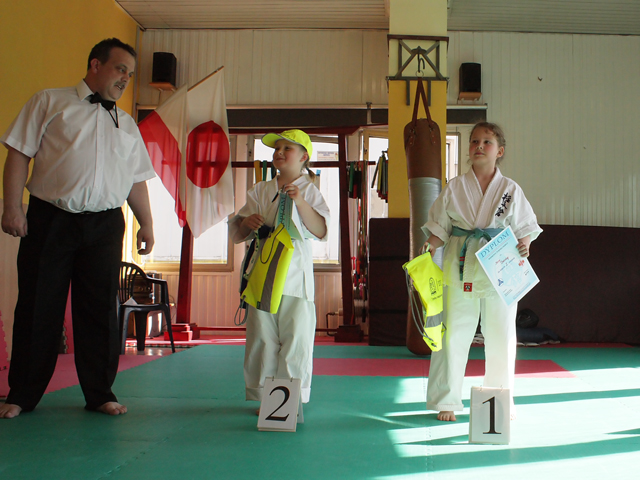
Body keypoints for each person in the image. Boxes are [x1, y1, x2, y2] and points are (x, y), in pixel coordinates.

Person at [0, 38, 156, 419]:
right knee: (38, 305)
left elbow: (136, 179)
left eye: (130, 74)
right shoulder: (49, 102)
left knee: (99, 310)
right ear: (95, 65)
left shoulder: (127, 124)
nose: (126, 79)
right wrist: (12, 207)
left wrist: (148, 223)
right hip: (50, 218)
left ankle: (100, 393)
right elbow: (19, 153)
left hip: (105, 225)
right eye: (120, 69)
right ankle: (22, 394)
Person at [423, 122, 542, 421]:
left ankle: (499, 400)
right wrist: (431, 245)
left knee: (501, 335)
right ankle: (447, 400)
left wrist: (525, 243)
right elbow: (440, 226)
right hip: (460, 264)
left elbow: (525, 226)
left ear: (499, 151)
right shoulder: (455, 186)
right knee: (454, 334)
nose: (479, 146)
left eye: (487, 142)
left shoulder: (510, 189)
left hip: (500, 263)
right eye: (474, 141)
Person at [229, 129, 329, 408]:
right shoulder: (260, 190)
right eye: (277, 148)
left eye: (288, 148)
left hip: (295, 275)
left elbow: (321, 230)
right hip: (263, 271)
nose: (280, 153)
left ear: (304, 157)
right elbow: (239, 230)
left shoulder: (310, 190)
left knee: (296, 337)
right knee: (262, 337)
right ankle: (266, 401)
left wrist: (300, 201)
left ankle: (290, 401)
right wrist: (246, 223)